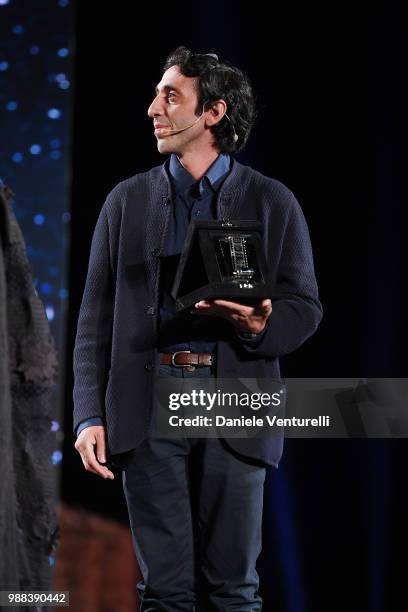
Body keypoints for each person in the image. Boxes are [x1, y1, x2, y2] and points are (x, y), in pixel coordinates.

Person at [73, 46, 322, 610]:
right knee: (163, 593)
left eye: (171, 95)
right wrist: (89, 413)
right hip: (147, 402)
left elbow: (305, 306)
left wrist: (264, 322)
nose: (152, 109)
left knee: (235, 590)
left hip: (234, 404)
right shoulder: (125, 201)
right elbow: (94, 319)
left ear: (213, 113)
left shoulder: (271, 200)